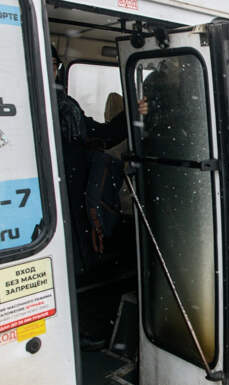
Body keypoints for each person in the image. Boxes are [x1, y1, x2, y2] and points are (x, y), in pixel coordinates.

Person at [52, 45, 147, 274]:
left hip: (72, 183)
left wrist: (133, 113)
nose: (51, 70)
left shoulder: (66, 105)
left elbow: (99, 136)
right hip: (56, 186)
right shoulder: (40, 104)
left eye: (54, 65)